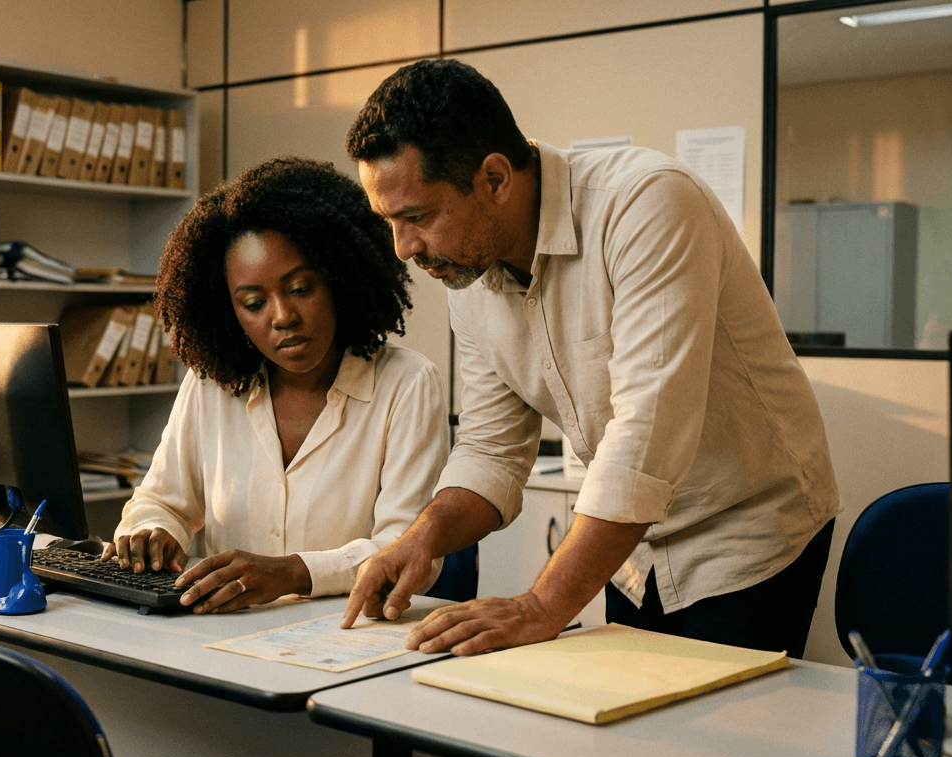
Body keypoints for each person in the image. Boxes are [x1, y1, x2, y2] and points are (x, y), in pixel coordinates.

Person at [340, 59, 840, 658]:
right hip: (629, 547)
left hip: (745, 532)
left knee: (709, 743)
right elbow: (491, 449)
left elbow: (645, 439)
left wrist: (542, 605)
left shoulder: (646, 204)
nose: (404, 249)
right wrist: (422, 538)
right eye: (389, 222)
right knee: (627, 736)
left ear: (495, 179)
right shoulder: (468, 276)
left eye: (416, 217)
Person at [101, 157, 449, 615]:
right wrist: (153, 531)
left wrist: (291, 573)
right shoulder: (212, 387)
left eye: (301, 288)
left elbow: (405, 549)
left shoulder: (406, 384)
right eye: (253, 302)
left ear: (340, 279)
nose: (282, 316)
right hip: (221, 634)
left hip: (349, 637)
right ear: (229, 311)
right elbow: (163, 500)